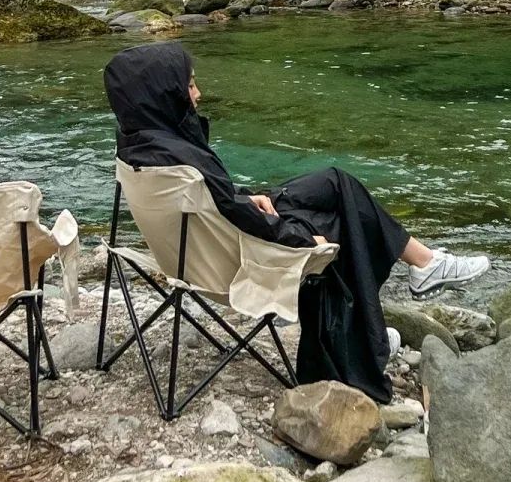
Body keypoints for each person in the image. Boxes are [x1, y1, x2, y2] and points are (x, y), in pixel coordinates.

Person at [102, 41, 489, 404]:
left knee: (334, 183)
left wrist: (244, 199)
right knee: (341, 215)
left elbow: (212, 203)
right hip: (238, 262)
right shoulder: (181, 155)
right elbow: (236, 217)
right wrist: (304, 241)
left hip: (193, 257)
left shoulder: (141, 148)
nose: (198, 94)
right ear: (165, 94)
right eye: (189, 85)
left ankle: (411, 279)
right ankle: (377, 321)